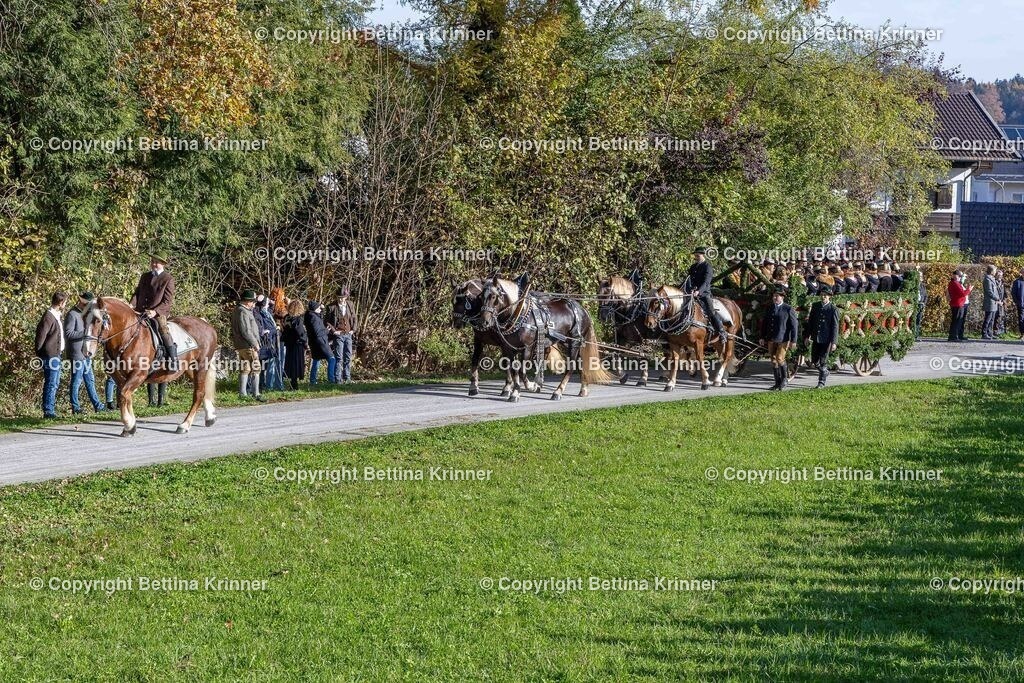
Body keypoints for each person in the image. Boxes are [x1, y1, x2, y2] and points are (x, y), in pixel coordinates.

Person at [129, 252, 177, 370]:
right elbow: (137, 293)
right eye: (152, 261)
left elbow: (167, 301)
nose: (154, 264)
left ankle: (173, 360)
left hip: (157, 314)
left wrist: (155, 312)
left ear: (163, 264)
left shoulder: (168, 279)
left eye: (157, 262)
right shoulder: (144, 276)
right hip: (140, 311)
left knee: (163, 330)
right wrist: (131, 304)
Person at [63, 291, 104, 414]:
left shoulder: (85, 314)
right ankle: (75, 407)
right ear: (81, 303)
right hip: (76, 353)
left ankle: (98, 406)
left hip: (85, 352)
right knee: (76, 380)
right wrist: (85, 334)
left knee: (90, 380)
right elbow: (68, 333)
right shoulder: (72, 314)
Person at [34, 291, 68, 418]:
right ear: (61, 303)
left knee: (55, 382)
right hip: (50, 355)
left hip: (56, 354)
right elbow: (40, 337)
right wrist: (40, 353)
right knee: (51, 383)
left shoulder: (56, 315)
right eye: (65, 302)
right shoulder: (48, 317)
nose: (65, 304)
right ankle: (48, 411)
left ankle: (50, 409)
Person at [759, 286, 799, 391]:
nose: (775, 298)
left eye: (777, 296)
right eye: (774, 296)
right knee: (773, 361)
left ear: (782, 297)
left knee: (780, 358)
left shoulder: (788, 309)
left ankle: (784, 380)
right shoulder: (770, 308)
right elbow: (765, 323)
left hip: (783, 339)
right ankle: (777, 382)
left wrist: (793, 340)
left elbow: (794, 326)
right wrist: (762, 337)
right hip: (771, 338)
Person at [230, 290, 265, 402]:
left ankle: (243, 394)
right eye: (252, 302)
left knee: (245, 368)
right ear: (247, 301)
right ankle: (256, 394)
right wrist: (255, 343)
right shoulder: (243, 311)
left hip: (241, 345)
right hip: (248, 345)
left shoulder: (239, 310)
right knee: (256, 368)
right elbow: (246, 331)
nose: (254, 304)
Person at [683, 247, 724, 339]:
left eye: (698, 256)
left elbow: (706, 282)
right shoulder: (693, 267)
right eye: (695, 256)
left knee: (711, 310)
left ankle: (721, 331)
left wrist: (698, 291)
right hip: (691, 293)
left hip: (704, 293)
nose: (696, 257)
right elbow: (688, 280)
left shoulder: (707, 266)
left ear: (703, 255)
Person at [805, 286, 840, 388]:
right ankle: (824, 372)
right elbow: (810, 323)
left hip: (826, 339)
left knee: (823, 361)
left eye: (825, 295)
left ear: (829, 297)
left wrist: (834, 342)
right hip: (816, 337)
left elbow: (835, 327)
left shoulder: (833, 309)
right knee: (814, 361)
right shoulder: (815, 306)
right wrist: (807, 336)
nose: (823, 296)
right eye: (822, 295)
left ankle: (821, 382)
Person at [325, 286, 357, 383]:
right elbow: (327, 321)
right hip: (338, 335)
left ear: (346, 297)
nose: (340, 299)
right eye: (338, 297)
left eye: (342, 297)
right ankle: (338, 379)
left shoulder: (350, 304)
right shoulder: (331, 307)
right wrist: (334, 331)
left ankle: (347, 378)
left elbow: (354, 318)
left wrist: (353, 330)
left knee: (348, 356)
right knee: (339, 358)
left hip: (348, 334)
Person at [254, 294, 280, 392]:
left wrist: (272, 303)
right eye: (267, 302)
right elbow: (266, 328)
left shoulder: (266, 312)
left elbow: (270, 310)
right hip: (266, 341)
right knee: (262, 365)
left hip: (270, 340)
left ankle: (263, 384)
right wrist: (275, 329)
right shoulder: (260, 314)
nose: (269, 304)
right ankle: (262, 385)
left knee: (264, 365)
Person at [281, 299, 308, 390]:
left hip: (289, 343)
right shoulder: (297, 319)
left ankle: (292, 383)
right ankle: (294, 384)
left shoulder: (287, 318)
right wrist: (305, 341)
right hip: (297, 343)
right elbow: (300, 332)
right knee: (296, 364)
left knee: (291, 363)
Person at [305, 300, 333, 385]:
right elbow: (317, 332)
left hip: (314, 342)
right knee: (332, 359)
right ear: (315, 309)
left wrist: (322, 309)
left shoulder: (311, 316)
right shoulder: (313, 318)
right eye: (318, 308)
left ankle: (313, 380)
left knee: (316, 360)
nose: (320, 309)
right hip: (320, 342)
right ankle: (331, 379)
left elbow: (320, 317)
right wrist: (326, 331)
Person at [947, 270, 972, 342]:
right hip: (957, 304)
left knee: (958, 320)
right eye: (960, 276)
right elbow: (962, 294)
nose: (960, 278)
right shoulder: (955, 283)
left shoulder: (955, 283)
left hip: (958, 303)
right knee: (957, 320)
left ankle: (956, 335)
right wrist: (969, 290)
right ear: (955, 276)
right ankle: (953, 336)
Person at [981, 265, 998, 340]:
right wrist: (996, 298)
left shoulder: (992, 278)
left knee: (992, 319)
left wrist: (998, 299)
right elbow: (989, 291)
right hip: (989, 302)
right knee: (988, 318)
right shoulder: (987, 279)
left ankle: (990, 333)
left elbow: (995, 291)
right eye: (995, 270)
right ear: (991, 271)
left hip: (994, 302)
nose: (995, 272)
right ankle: (984, 333)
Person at [915, 265, 927, 340]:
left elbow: (925, 295)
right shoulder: (913, 285)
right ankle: (912, 335)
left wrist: (924, 303)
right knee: (913, 320)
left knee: (918, 320)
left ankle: (916, 335)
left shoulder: (922, 285)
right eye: (919, 276)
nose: (920, 277)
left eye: (921, 276)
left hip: (921, 304)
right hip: (915, 305)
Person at [1011, 270, 1024, 340]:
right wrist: (1017, 302)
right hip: (1021, 304)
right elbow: (1013, 293)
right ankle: (1022, 334)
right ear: (1021, 273)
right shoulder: (1017, 282)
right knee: (1021, 319)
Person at [994, 269, 1007, 337]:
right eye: (999, 275)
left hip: (1001, 303)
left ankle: (1000, 331)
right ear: (996, 275)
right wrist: (997, 300)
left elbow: (1005, 293)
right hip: (995, 302)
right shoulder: (994, 282)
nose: (1000, 277)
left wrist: (1004, 300)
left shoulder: (1002, 283)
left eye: (1001, 275)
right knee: (995, 317)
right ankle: (994, 331)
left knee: (1000, 316)